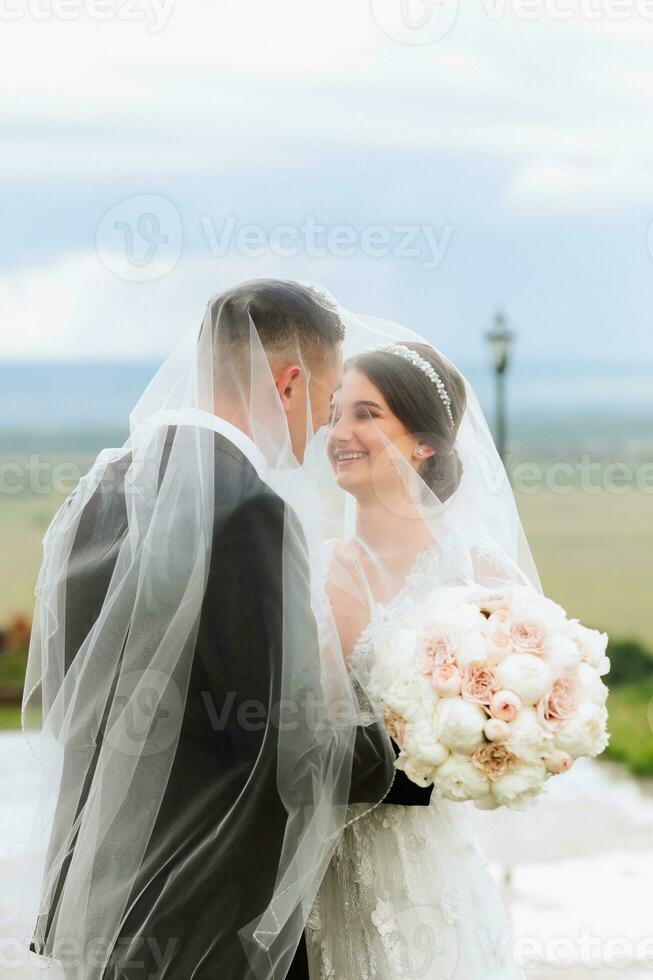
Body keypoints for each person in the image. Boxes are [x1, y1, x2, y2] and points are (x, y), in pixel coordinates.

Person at [21, 280, 397, 980]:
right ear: (287, 383)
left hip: (106, 903)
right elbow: (280, 738)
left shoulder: (100, 489)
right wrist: (404, 751)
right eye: (322, 399)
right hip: (210, 914)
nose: (322, 428)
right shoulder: (249, 510)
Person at [304, 339, 541, 979]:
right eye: (333, 414)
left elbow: (524, 713)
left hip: (428, 862)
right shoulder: (312, 571)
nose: (340, 433)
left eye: (366, 414)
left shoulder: (476, 574)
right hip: (319, 865)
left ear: (423, 444)